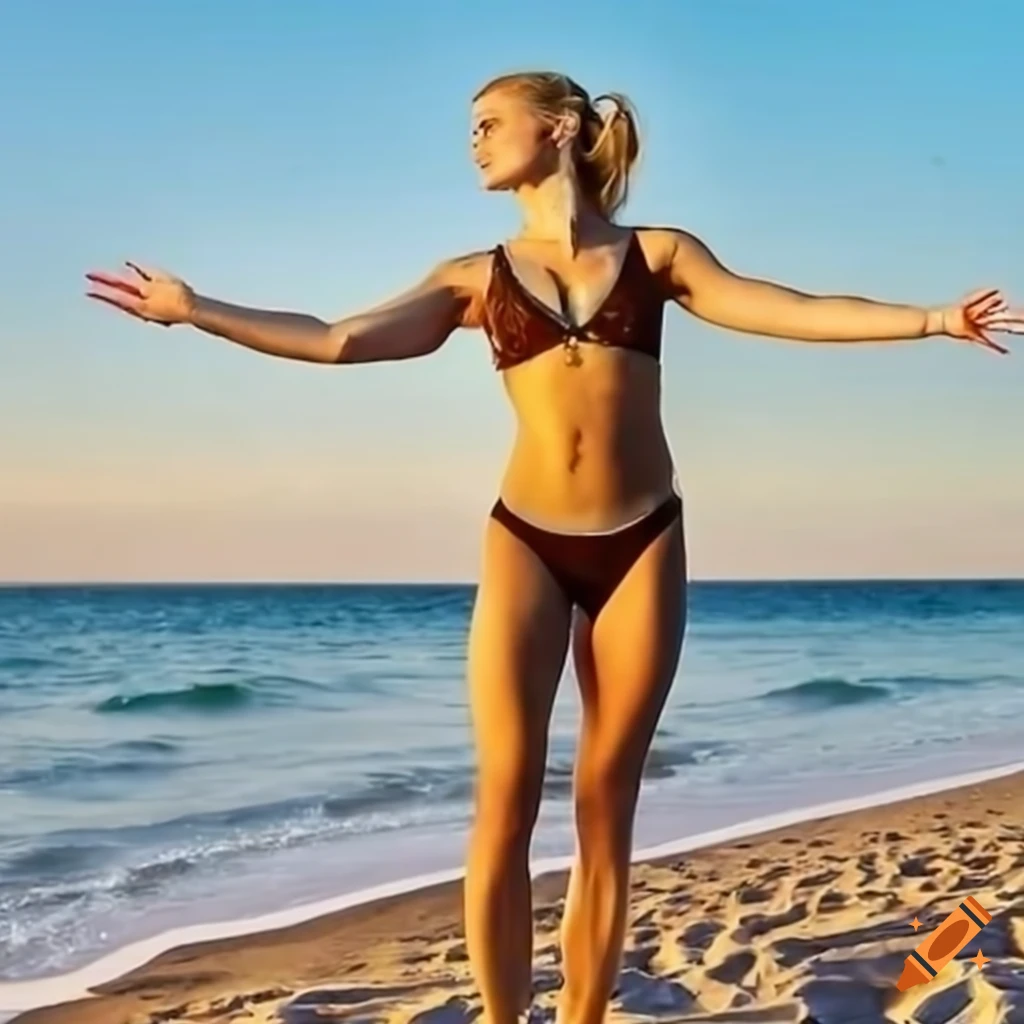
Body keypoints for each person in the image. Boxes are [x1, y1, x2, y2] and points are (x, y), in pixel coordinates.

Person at [85, 70, 1020, 1024]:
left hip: (643, 540)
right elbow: (335, 339)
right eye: (471, 129)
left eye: (490, 123)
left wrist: (934, 320)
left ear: (561, 128)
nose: (475, 142)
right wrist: (197, 310)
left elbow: (784, 306)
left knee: (605, 810)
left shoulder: (657, 256)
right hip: (526, 543)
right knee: (505, 803)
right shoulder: (473, 279)